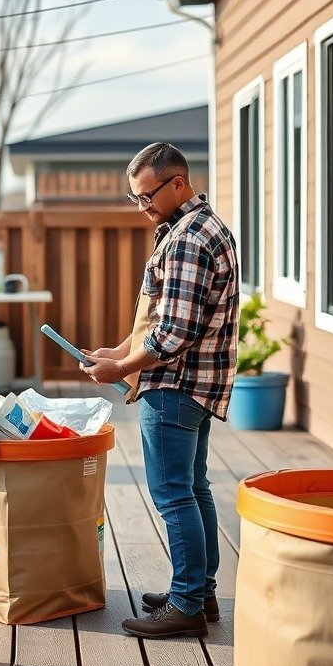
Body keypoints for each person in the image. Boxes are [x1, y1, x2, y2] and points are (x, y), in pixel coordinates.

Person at [81, 142, 239, 639]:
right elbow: (159, 318)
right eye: (135, 198)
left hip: (175, 385)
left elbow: (173, 335)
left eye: (147, 196)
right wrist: (117, 352)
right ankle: (200, 592)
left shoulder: (188, 238)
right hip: (195, 385)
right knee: (193, 488)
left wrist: (121, 368)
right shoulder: (196, 227)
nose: (141, 207)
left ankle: (187, 604)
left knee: (172, 494)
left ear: (178, 183)